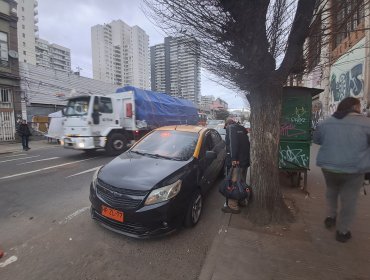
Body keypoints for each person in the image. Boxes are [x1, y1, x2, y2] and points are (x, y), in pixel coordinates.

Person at [313, 97, 370, 242]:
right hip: (354, 169)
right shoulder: (366, 123)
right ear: (356, 107)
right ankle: (342, 231)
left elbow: (317, 140)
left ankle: (331, 216)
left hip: (329, 167)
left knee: (331, 191)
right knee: (349, 200)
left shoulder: (326, 122)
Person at [222, 118, 250, 214]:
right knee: (241, 182)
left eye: (225, 127)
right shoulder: (242, 129)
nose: (226, 129)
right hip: (244, 161)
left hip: (237, 162)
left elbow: (233, 144)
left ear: (227, 124)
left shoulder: (231, 128)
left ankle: (233, 206)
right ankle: (242, 201)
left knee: (234, 183)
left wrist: (234, 159)